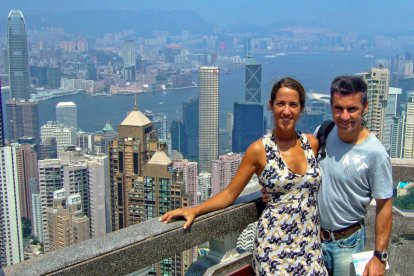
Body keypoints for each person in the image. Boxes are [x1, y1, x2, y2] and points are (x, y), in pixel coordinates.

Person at [160, 77, 327, 274]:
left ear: (301, 109)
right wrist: (195, 210)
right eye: (280, 103)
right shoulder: (259, 150)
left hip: (311, 245)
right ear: (271, 106)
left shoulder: (311, 143)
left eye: (293, 105)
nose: (286, 111)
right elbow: (230, 193)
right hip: (275, 247)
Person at [262, 76, 393, 276]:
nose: (344, 116)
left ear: (364, 108)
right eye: (338, 108)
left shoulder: (376, 153)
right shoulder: (324, 132)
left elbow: (384, 205)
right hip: (311, 241)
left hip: (347, 244)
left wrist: (379, 256)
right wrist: (275, 190)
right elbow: (303, 176)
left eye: (352, 109)